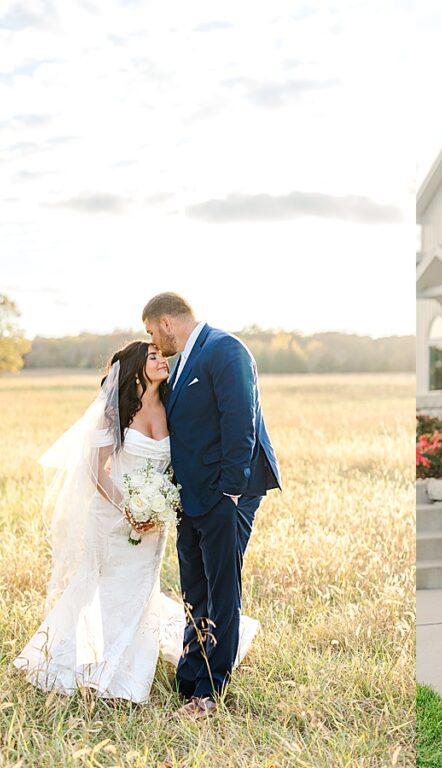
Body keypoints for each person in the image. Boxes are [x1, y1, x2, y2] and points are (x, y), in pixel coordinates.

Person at [13, 342, 258, 703]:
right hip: (113, 515)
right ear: (135, 369)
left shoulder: (172, 405)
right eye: (154, 357)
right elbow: (97, 470)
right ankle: (87, 663)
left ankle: (130, 669)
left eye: (163, 355)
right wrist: (128, 508)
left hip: (153, 520)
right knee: (104, 587)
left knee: (142, 590)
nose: (164, 361)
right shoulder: (115, 412)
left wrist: (160, 506)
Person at [143, 293, 281, 720]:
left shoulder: (226, 349)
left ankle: (210, 690)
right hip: (191, 494)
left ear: (167, 322)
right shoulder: (182, 360)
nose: (152, 339)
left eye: (151, 331)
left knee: (222, 589)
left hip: (225, 495)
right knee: (194, 586)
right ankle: (191, 673)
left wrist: (232, 491)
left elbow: (241, 420)